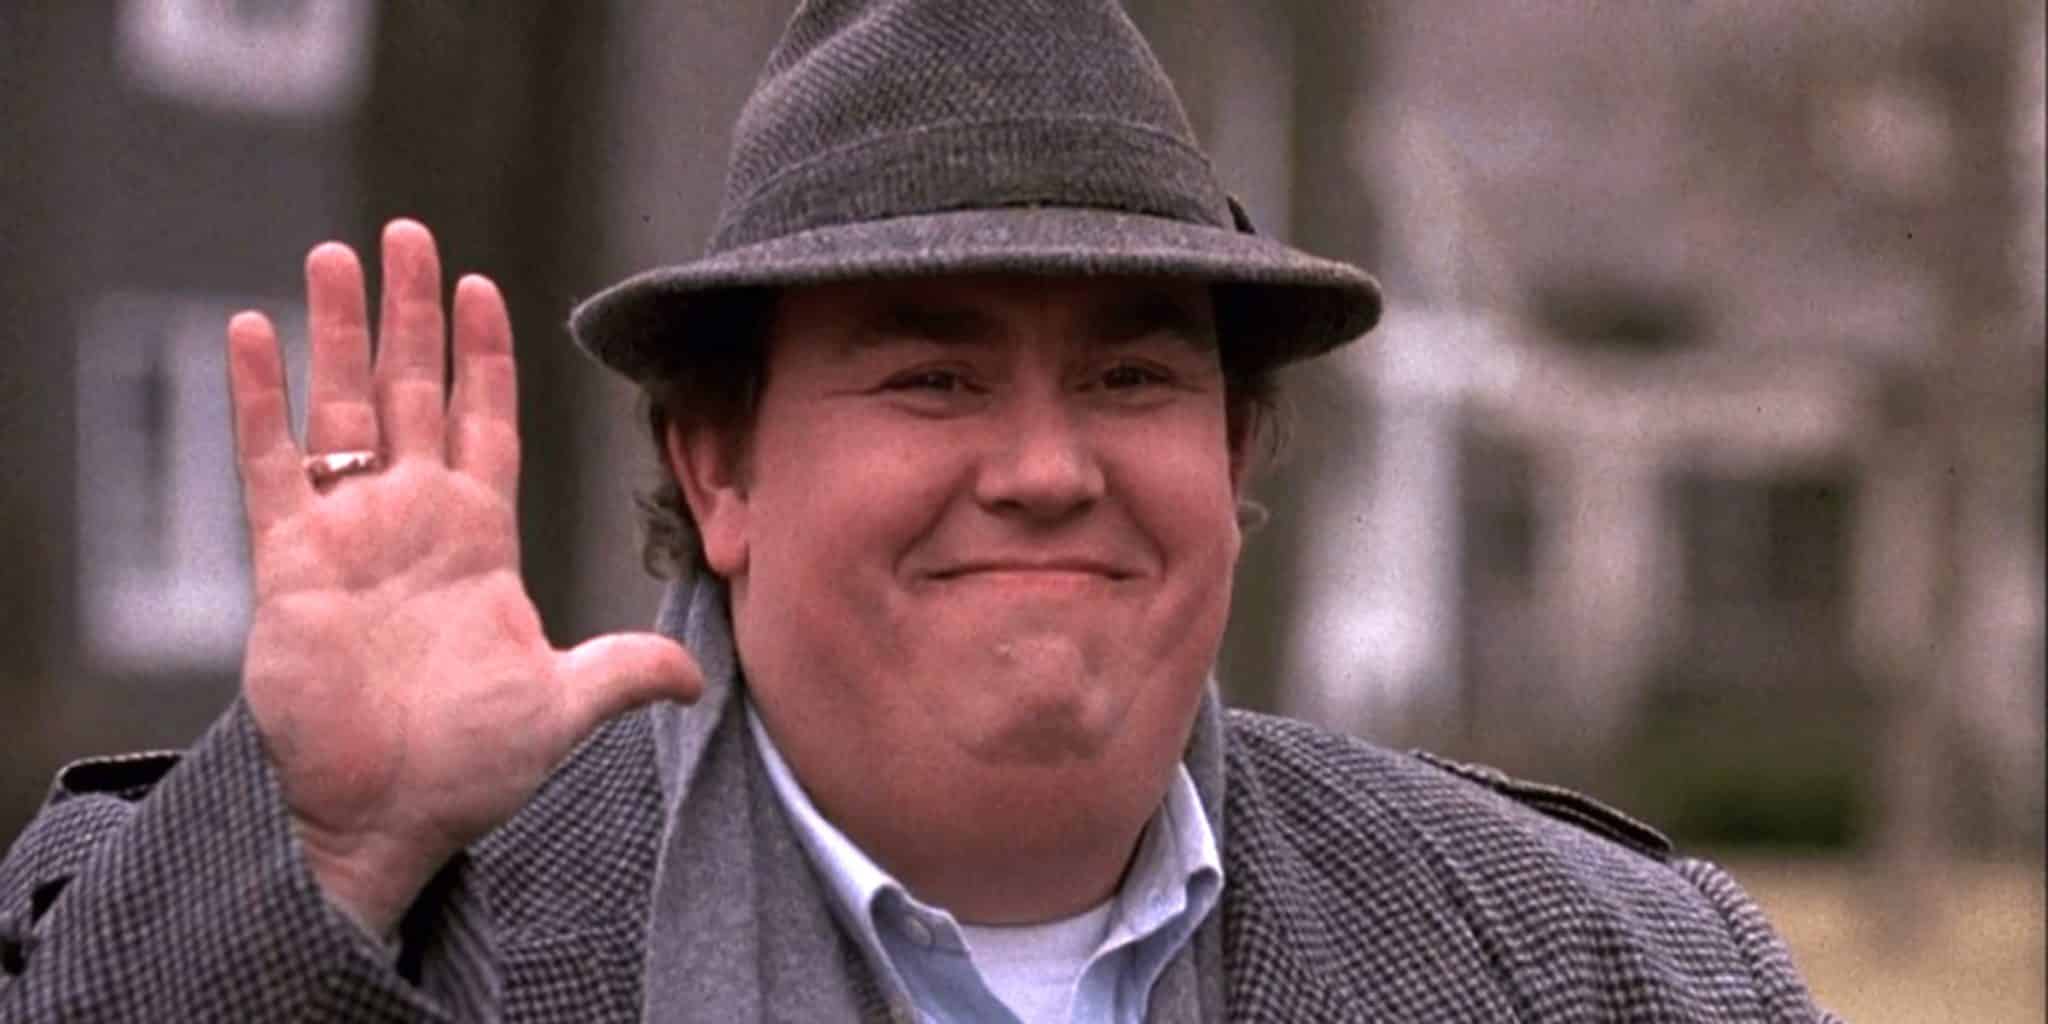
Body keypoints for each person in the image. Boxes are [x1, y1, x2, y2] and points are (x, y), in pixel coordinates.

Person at [1, 1, 1837, 1021]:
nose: (1045, 466)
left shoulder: (1595, 970)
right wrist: (330, 850)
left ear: (1235, 457)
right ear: (719, 469)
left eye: (1132, 378)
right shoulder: (391, 938)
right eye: (934, 378)